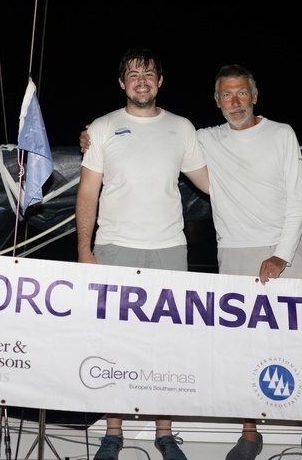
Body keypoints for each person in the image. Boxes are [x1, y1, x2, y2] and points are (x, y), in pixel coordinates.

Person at [80, 64, 302, 460]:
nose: (234, 102)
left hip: (285, 250)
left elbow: (298, 199)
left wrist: (282, 254)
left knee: (301, 339)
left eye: (241, 93)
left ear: (255, 96)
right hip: (234, 250)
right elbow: (152, 140)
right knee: (243, 344)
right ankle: (249, 433)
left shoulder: (281, 133)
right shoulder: (202, 137)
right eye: (226, 95)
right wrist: (89, 136)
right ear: (216, 101)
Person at [76, 47, 209, 460]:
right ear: (121, 83)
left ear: (160, 82)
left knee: (166, 341)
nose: (141, 80)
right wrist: (84, 249)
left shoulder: (182, 128)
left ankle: (164, 432)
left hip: (169, 248)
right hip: (114, 247)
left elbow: (213, 184)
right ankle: (112, 431)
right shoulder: (101, 128)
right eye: (133, 74)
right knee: (114, 340)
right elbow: (87, 193)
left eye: (149, 73)